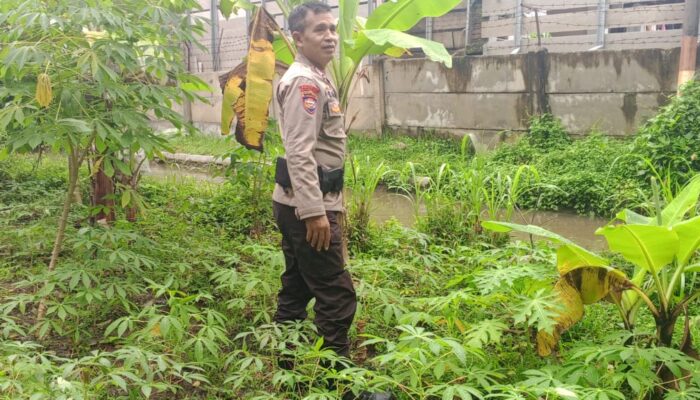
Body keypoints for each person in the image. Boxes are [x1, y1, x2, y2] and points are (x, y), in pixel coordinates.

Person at [272, 3, 393, 400]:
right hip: (308, 206)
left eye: (331, 28)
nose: (330, 36)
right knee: (336, 294)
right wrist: (315, 213)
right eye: (319, 30)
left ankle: (285, 369)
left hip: (294, 202)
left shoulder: (316, 77)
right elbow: (300, 152)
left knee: (296, 287)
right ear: (298, 39)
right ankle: (337, 386)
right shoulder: (306, 83)